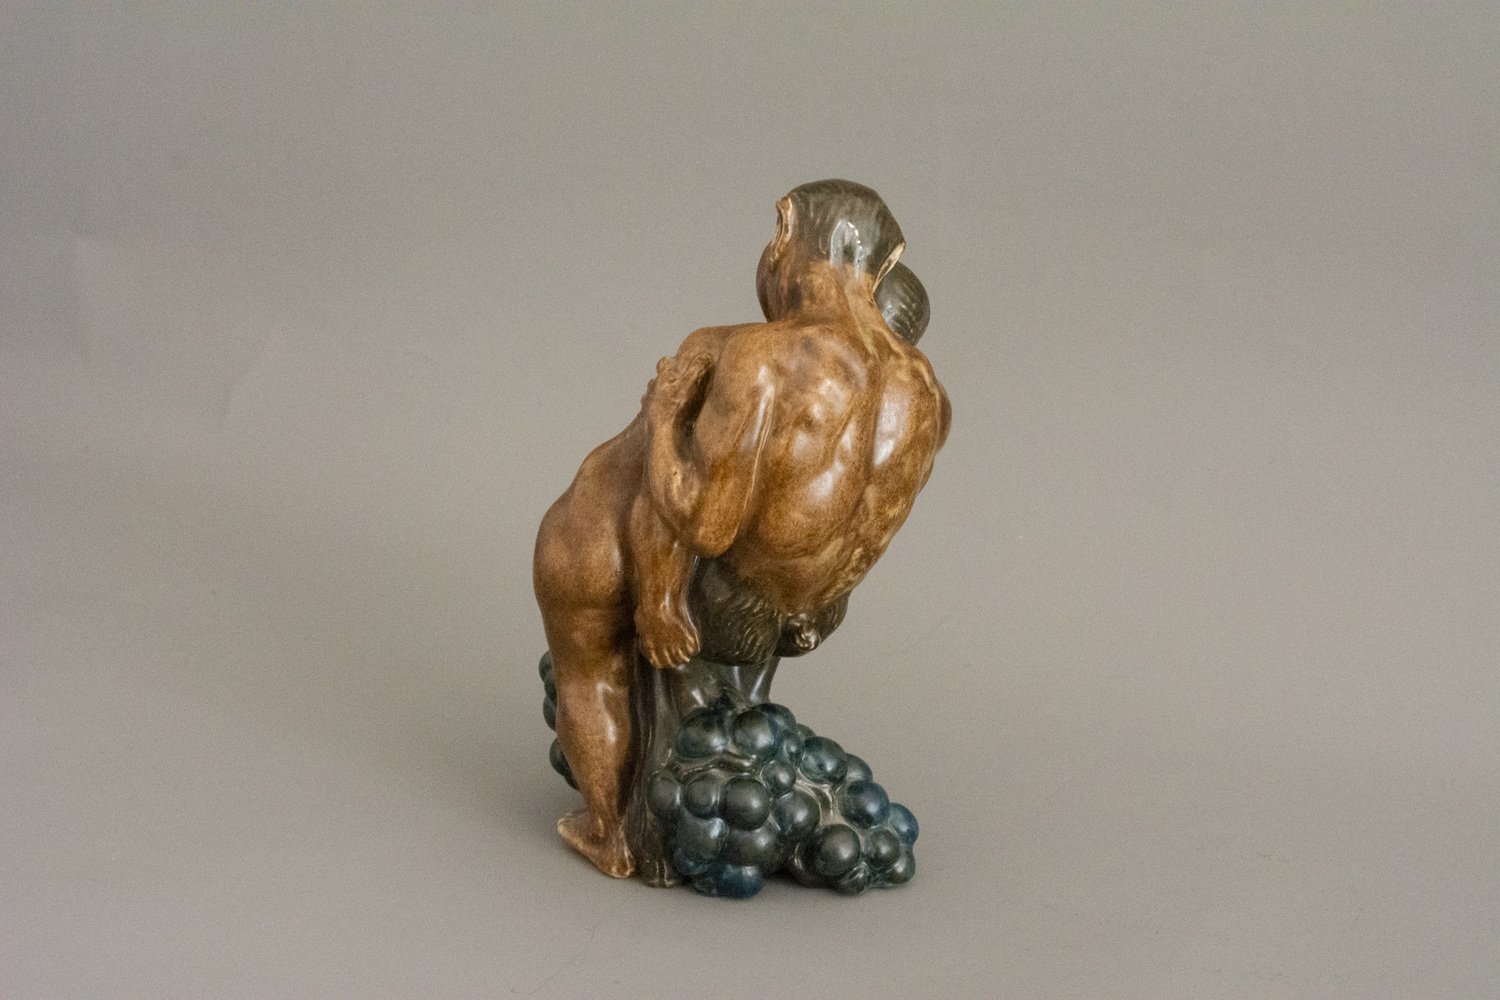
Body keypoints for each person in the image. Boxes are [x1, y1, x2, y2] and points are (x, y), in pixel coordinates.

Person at [533, 180, 950, 877]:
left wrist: (663, 420)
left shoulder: (759, 356)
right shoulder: (927, 393)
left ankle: (613, 835)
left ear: (787, 235)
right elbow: (854, 515)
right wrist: (816, 600)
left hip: (631, 549)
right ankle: (677, 796)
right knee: (708, 705)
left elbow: (698, 519)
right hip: (788, 608)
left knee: (590, 670)